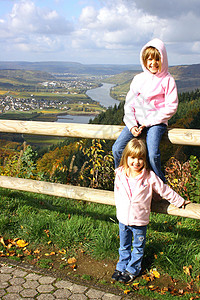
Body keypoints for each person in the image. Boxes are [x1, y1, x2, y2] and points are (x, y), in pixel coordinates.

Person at [111, 138, 190, 284]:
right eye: (132, 158)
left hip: (140, 219)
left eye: (140, 158)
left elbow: (164, 190)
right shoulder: (120, 173)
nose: (136, 162)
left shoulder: (148, 176)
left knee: (138, 247)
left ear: (145, 159)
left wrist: (179, 201)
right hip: (123, 218)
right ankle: (121, 266)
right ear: (126, 157)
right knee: (124, 245)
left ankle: (132, 269)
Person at [112, 38, 178, 183]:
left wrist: (149, 122)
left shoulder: (168, 80)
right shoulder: (138, 79)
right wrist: (132, 125)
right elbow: (129, 104)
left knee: (152, 154)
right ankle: (122, 180)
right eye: (149, 59)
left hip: (156, 123)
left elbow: (171, 106)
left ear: (163, 59)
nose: (153, 63)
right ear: (144, 60)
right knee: (117, 149)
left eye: (157, 59)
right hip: (136, 123)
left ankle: (159, 186)